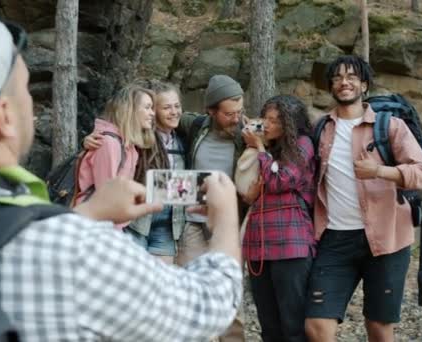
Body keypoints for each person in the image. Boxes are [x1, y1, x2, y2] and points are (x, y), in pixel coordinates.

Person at [0, 4, 243, 341]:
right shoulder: (70, 250)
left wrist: (89, 213)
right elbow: (204, 307)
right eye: (25, 90)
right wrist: (225, 214)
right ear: (4, 116)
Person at [304, 55, 422, 341]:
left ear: (364, 84)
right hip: (334, 239)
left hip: (387, 239)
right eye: (337, 78)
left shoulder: (390, 126)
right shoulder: (321, 128)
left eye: (351, 76)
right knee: (316, 325)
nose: (344, 82)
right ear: (331, 86)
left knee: (378, 327)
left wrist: (380, 171)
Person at [175, 74, 247, 342]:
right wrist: (102, 133)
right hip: (193, 222)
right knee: (190, 291)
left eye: (239, 111)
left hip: (229, 227)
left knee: (231, 297)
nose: (236, 119)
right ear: (211, 111)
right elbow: (155, 112)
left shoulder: (246, 134)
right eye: (229, 114)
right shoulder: (194, 125)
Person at [84, 81, 187, 264]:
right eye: (166, 107)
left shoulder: (183, 137)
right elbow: (107, 192)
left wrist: (198, 192)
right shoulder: (138, 139)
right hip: (136, 221)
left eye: (177, 106)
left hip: (168, 222)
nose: (173, 112)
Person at [241, 95, 317, 342]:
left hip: (291, 245)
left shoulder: (303, 144)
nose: (269, 125)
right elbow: (247, 188)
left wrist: (260, 147)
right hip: (259, 245)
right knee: (269, 326)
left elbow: (280, 179)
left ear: (291, 124)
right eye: (266, 119)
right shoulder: (265, 148)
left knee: (293, 325)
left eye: (276, 121)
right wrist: (255, 145)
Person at [74, 84, 155, 215]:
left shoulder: (129, 145)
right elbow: (106, 196)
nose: (153, 113)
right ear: (130, 109)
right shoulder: (109, 143)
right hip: (95, 223)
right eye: (147, 108)